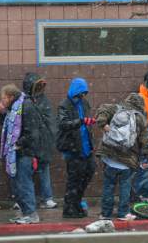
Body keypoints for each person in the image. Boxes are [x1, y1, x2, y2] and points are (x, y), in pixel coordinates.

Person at [95, 93, 148, 220]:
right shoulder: (140, 118)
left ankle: (105, 213)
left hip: (109, 156)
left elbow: (101, 110)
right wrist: (147, 154)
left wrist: (103, 124)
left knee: (108, 185)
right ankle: (123, 213)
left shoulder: (116, 109)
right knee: (125, 187)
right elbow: (146, 141)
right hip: (127, 160)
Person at [0, 84, 42, 224]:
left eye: (3, 98)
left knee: (24, 183)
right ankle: (25, 212)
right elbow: (7, 128)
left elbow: (33, 131)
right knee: (17, 185)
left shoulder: (26, 106)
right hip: (15, 152)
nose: (2, 100)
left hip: (24, 152)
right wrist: (2, 114)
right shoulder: (13, 108)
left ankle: (31, 213)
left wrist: (18, 144)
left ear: (11, 97)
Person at [57, 78, 96, 218]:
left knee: (88, 173)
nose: (82, 97)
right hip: (73, 149)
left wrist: (89, 122)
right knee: (74, 180)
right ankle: (69, 208)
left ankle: (77, 203)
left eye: (84, 94)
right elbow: (63, 124)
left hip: (86, 147)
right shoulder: (64, 105)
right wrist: (80, 121)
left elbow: (86, 120)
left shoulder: (84, 103)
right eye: (80, 94)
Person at [22, 73, 58, 210]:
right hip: (30, 140)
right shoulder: (24, 101)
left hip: (43, 141)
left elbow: (50, 122)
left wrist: (50, 137)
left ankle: (47, 197)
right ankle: (24, 198)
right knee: (26, 170)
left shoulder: (43, 100)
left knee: (43, 169)